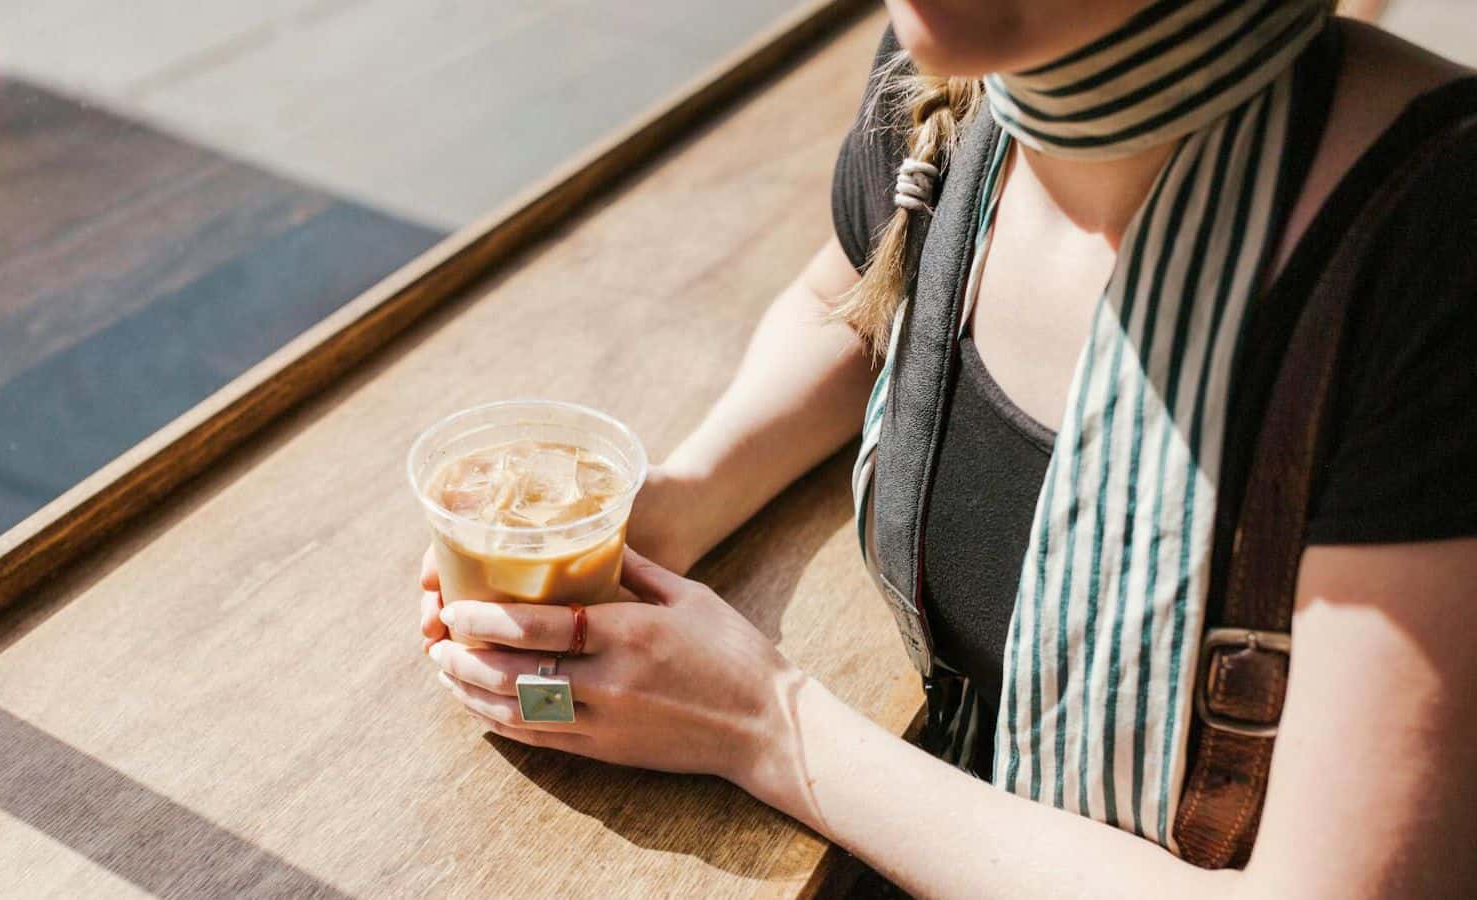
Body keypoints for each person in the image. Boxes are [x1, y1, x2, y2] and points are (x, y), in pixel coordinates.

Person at [420, 1, 1477, 895]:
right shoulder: (959, 72)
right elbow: (853, 292)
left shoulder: (1439, 241)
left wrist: (763, 724)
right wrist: (676, 500)